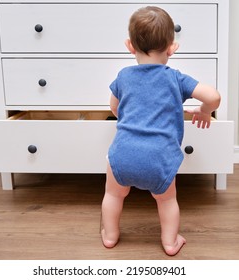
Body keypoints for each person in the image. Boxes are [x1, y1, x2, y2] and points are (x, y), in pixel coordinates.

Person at [101, 6, 221, 256]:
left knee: (113, 195)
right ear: (171, 47)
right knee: (166, 201)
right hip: (160, 158)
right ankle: (170, 242)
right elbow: (213, 96)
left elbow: (114, 107)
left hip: (122, 155)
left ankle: (110, 236)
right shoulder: (176, 78)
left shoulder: (123, 76)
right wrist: (204, 111)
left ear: (129, 45)